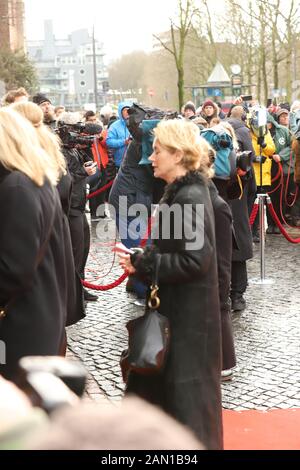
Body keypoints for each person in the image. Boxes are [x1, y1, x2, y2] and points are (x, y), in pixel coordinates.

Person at [118, 119, 223, 450]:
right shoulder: (183, 193)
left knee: (186, 415)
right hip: (180, 321)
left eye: (157, 150)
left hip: (187, 325)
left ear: (178, 155)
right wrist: (142, 259)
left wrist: (144, 263)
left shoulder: (189, 196)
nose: (151, 157)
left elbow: (195, 261)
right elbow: (176, 250)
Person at [0, 108, 76, 380]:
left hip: (21, 323)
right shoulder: (34, 180)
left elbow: (12, 269)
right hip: (38, 313)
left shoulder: (18, 187)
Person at [106, 101, 132, 170]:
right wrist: (124, 142)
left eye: (129, 110)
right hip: (120, 163)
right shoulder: (114, 126)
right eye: (125, 110)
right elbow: (109, 141)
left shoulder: (137, 124)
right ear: (120, 112)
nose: (127, 112)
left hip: (135, 162)